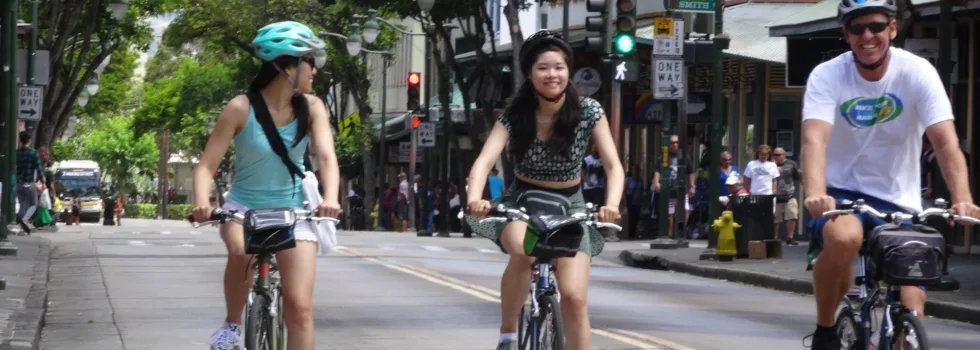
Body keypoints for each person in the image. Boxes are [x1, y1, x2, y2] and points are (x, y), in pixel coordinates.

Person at [800, 1, 980, 349]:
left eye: (876, 26)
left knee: (913, 294)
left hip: (900, 199)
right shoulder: (827, 74)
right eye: (857, 28)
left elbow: (944, 142)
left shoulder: (918, 72)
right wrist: (816, 192)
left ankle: (903, 335)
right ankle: (825, 329)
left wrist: (963, 199)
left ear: (893, 29)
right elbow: (814, 138)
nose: (867, 36)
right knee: (843, 238)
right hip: (842, 193)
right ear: (846, 34)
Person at [462, 30, 624, 350]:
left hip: (571, 205)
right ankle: (508, 335)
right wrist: (475, 200)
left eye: (559, 67)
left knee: (575, 299)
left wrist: (612, 204)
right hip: (523, 202)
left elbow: (614, 166)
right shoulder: (515, 115)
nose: (552, 75)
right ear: (530, 74)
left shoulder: (589, 111)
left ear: (569, 71)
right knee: (523, 252)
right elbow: (483, 162)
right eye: (543, 68)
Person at [191, 21, 342, 350]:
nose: (314, 71)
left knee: (299, 308)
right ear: (288, 67)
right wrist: (202, 202)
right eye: (309, 63)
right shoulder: (239, 108)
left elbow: (327, 158)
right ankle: (232, 326)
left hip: (295, 212)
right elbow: (206, 166)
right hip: (242, 209)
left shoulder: (313, 108)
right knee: (242, 252)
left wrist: (330, 198)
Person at [15, 131, 46, 235]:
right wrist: (43, 180)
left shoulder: (17, 153)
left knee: (22, 203)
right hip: (28, 183)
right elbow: (38, 167)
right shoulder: (33, 153)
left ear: (20, 140)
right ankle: (25, 220)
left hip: (18, 183)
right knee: (34, 204)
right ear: (29, 141)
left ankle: (20, 221)